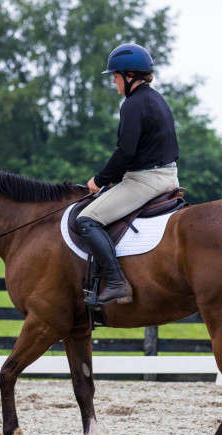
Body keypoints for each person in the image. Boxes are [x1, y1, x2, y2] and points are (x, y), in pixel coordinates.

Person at [75, 43, 180, 305]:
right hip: (165, 174)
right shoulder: (155, 98)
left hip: (145, 180)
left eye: (115, 75)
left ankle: (116, 282)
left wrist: (99, 180)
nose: (113, 81)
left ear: (129, 75)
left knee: (86, 219)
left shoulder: (133, 104)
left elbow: (125, 152)